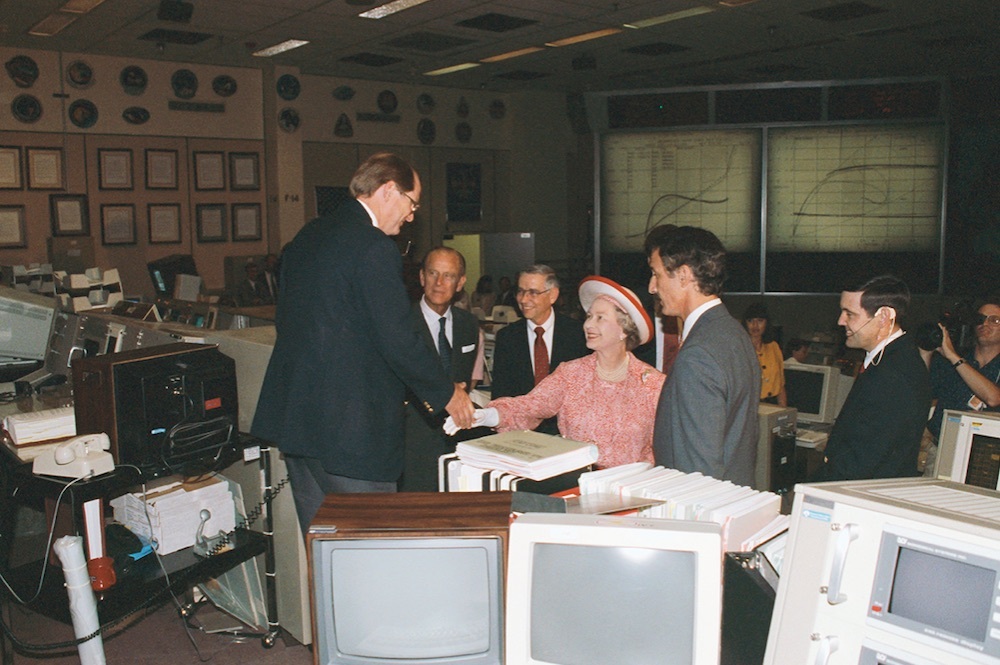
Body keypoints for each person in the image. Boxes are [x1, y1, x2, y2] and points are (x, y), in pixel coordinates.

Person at [251, 152, 475, 532]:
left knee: (324, 553)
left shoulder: (309, 236)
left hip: (300, 425)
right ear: (389, 190)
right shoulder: (373, 248)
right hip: (352, 436)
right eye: (411, 203)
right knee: (370, 552)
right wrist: (446, 393)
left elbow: (287, 320)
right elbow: (398, 338)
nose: (411, 216)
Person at [447, 276, 665, 469]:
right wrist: (485, 415)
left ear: (624, 330)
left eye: (600, 318)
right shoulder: (571, 374)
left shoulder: (652, 384)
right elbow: (529, 406)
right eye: (588, 316)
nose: (588, 324)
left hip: (633, 493)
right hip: (578, 489)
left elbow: (666, 446)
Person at [645, 224, 760, 486]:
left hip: (704, 510)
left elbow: (698, 472)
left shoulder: (697, 356)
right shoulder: (734, 333)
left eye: (656, 274)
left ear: (684, 276)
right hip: (735, 498)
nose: (652, 287)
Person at [810, 275, 932, 482]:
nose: (841, 321)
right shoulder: (891, 360)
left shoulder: (894, 375)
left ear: (883, 317)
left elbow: (860, 463)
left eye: (850, 314)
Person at [400, 247, 485, 491]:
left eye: (448, 276)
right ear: (421, 277)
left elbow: (465, 382)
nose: (439, 283)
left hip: (458, 444)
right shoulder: (402, 324)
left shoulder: (468, 324)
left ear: (460, 283)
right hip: (411, 444)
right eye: (433, 273)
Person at [490, 264, 590, 434]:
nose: (523, 299)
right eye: (520, 291)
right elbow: (501, 394)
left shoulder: (578, 335)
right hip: (521, 434)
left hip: (568, 434)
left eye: (533, 292)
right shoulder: (507, 338)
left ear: (553, 295)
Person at [921, 297, 1000, 441]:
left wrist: (954, 358)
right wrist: (925, 351)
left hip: (980, 451)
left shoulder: (956, 359)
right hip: (939, 443)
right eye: (980, 319)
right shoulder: (954, 360)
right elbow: (921, 392)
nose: (984, 324)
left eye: (994, 320)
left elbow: (994, 398)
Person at [741, 302, 787, 406]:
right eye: (750, 321)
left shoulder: (774, 347)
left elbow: (781, 384)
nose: (755, 325)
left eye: (760, 321)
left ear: (767, 323)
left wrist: (783, 411)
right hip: (750, 406)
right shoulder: (740, 349)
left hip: (774, 404)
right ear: (745, 324)